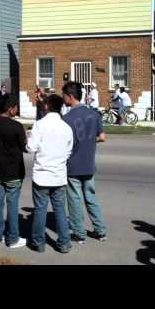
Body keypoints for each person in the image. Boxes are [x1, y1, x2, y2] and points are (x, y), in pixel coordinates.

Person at [26, 94, 73, 253]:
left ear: (46, 106)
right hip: (59, 175)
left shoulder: (39, 125)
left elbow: (30, 148)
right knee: (60, 210)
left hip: (42, 175)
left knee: (40, 209)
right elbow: (68, 151)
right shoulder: (66, 127)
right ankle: (64, 243)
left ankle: (39, 243)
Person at [62, 81, 107, 244]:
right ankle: (100, 230)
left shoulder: (66, 118)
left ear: (70, 96)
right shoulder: (94, 114)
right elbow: (102, 137)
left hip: (73, 164)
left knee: (74, 198)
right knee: (91, 197)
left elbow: (65, 143)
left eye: (64, 95)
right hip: (88, 163)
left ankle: (79, 233)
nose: (63, 98)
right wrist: (89, 139)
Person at [0, 96, 27, 248]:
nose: (17, 110)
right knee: (12, 204)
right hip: (14, 172)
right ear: (10, 108)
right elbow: (25, 147)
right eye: (16, 107)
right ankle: (13, 238)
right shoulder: (16, 126)